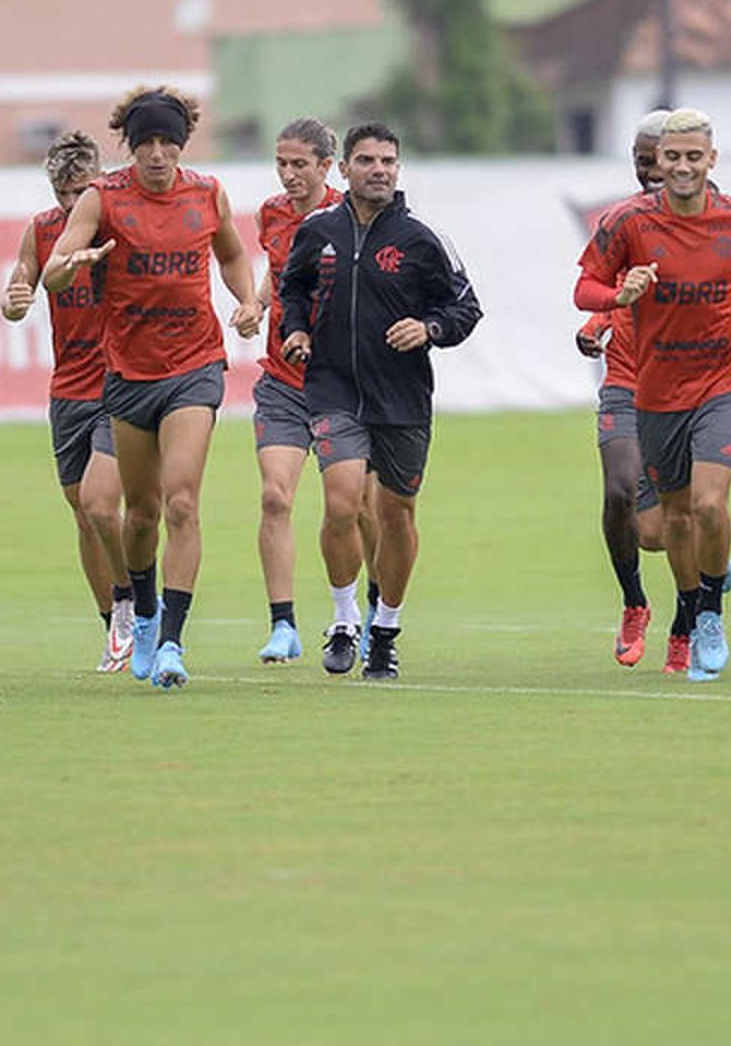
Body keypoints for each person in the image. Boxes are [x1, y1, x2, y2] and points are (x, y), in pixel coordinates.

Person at [42, 86, 264, 691]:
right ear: (131, 147)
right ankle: (142, 613)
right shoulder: (102, 198)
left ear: (182, 144)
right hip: (129, 375)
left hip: (195, 366)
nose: (158, 155)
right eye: (147, 144)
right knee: (138, 515)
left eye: (168, 143)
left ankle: (171, 641)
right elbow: (53, 267)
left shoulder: (206, 193)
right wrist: (75, 265)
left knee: (182, 501)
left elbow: (234, 254)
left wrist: (247, 301)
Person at [575, 108, 731, 681]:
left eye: (692, 156)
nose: (674, 168)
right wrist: (609, 307)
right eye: (664, 159)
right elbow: (589, 291)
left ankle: (698, 619)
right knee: (646, 519)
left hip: (719, 380)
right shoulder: (630, 224)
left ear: (711, 159)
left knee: (707, 506)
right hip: (641, 384)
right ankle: (644, 598)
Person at [280, 123, 482, 681]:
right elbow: (292, 290)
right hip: (332, 389)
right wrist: (294, 332)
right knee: (343, 503)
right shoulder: (317, 231)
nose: (379, 170)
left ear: (399, 168)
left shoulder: (423, 238)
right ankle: (344, 621)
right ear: (343, 169)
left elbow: (466, 308)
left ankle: (384, 631)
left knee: (396, 516)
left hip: (402, 396)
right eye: (366, 160)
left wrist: (430, 326)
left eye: (388, 161)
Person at [0, 131, 133, 672]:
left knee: (103, 502)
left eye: (81, 191)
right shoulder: (43, 231)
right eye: (62, 195)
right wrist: (14, 299)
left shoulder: (123, 225)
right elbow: (18, 295)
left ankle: (134, 602)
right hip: (68, 389)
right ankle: (114, 628)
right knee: (84, 512)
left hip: (119, 382)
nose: (72, 204)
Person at [250, 117, 353, 665]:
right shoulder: (269, 213)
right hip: (281, 382)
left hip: (340, 384)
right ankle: (283, 626)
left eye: (299, 165)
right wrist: (257, 303)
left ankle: (347, 615)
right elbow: (276, 270)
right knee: (274, 496)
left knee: (348, 510)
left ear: (325, 166)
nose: (288, 175)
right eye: (281, 164)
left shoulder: (348, 215)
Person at [576, 111, 672, 667]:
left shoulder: (720, 224)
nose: (650, 169)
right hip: (626, 379)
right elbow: (604, 290)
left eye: (657, 156)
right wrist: (593, 330)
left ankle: (704, 579)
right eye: (640, 159)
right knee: (619, 494)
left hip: (691, 385)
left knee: (666, 531)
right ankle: (634, 603)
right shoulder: (622, 222)